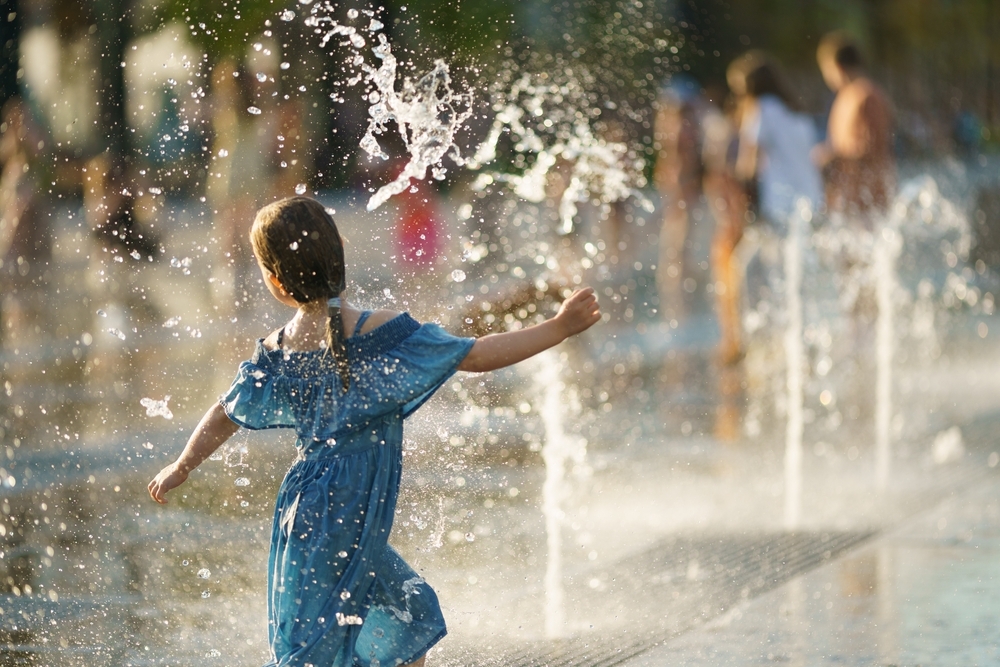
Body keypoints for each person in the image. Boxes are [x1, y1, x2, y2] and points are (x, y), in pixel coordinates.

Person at [147, 196, 600, 667]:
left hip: (320, 515)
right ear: (341, 251)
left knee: (406, 614)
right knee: (324, 646)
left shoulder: (283, 347)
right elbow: (476, 355)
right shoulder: (377, 332)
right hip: (330, 520)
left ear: (276, 282)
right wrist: (558, 328)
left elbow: (224, 413)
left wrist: (183, 465)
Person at [812, 32, 895, 220]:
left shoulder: (867, 96)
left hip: (870, 200)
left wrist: (830, 157)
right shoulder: (845, 97)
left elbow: (872, 149)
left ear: (835, 66)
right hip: (848, 200)